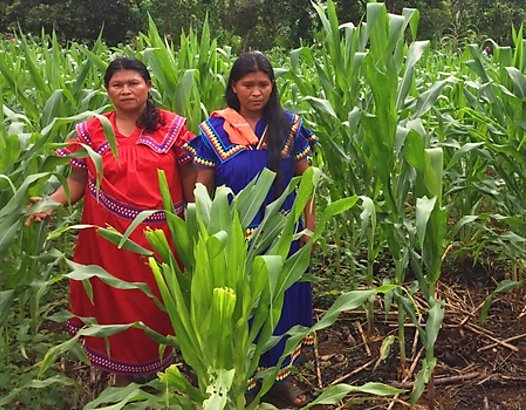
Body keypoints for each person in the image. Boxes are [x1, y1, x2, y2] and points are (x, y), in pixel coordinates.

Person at [26, 57, 196, 385]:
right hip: (106, 243)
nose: (126, 90)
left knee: (156, 303)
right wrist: (49, 202)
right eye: (117, 85)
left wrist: (197, 220)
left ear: (148, 86)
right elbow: (76, 182)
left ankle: (161, 375)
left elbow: (191, 180)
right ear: (107, 91)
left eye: (133, 83)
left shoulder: (170, 128)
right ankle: (120, 379)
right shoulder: (92, 131)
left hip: (158, 240)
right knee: (114, 304)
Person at [185, 52, 317, 407]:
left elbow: (307, 182)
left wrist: (309, 229)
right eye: (248, 85)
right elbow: (202, 191)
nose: (256, 92)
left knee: (281, 308)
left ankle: (278, 381)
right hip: (234, 240)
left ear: (272, 86)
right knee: (245, 310)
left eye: (263, 84)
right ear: (234, 87)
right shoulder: (213, 132)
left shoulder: (289, 127)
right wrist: (201, 235)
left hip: (284, 237)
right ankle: (244, 380)